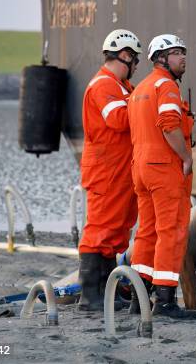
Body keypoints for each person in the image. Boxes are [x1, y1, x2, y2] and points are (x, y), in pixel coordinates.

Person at [127, 33, 196, 319]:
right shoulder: (166, 86)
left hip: (141, 169)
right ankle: (166, 301)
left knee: (146, 232)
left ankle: (139, 298)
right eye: (176, 52)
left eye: (184, 52)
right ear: (161, 58)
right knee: (172, 231)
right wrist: (186, 156)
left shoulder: (140, 88)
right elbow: (169, 125)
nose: (183, 57)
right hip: (163, 169)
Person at [77, 29, 142, 311]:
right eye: (135, 60)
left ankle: (106, 291)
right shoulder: (104, 85)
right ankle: (90, 296)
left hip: (120, 169)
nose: (136, 67)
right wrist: (143, 102)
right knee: (99, 231)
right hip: (106, 170)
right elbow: (117, 119)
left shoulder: (121, 86)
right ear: (125, 56)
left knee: (116, 232)